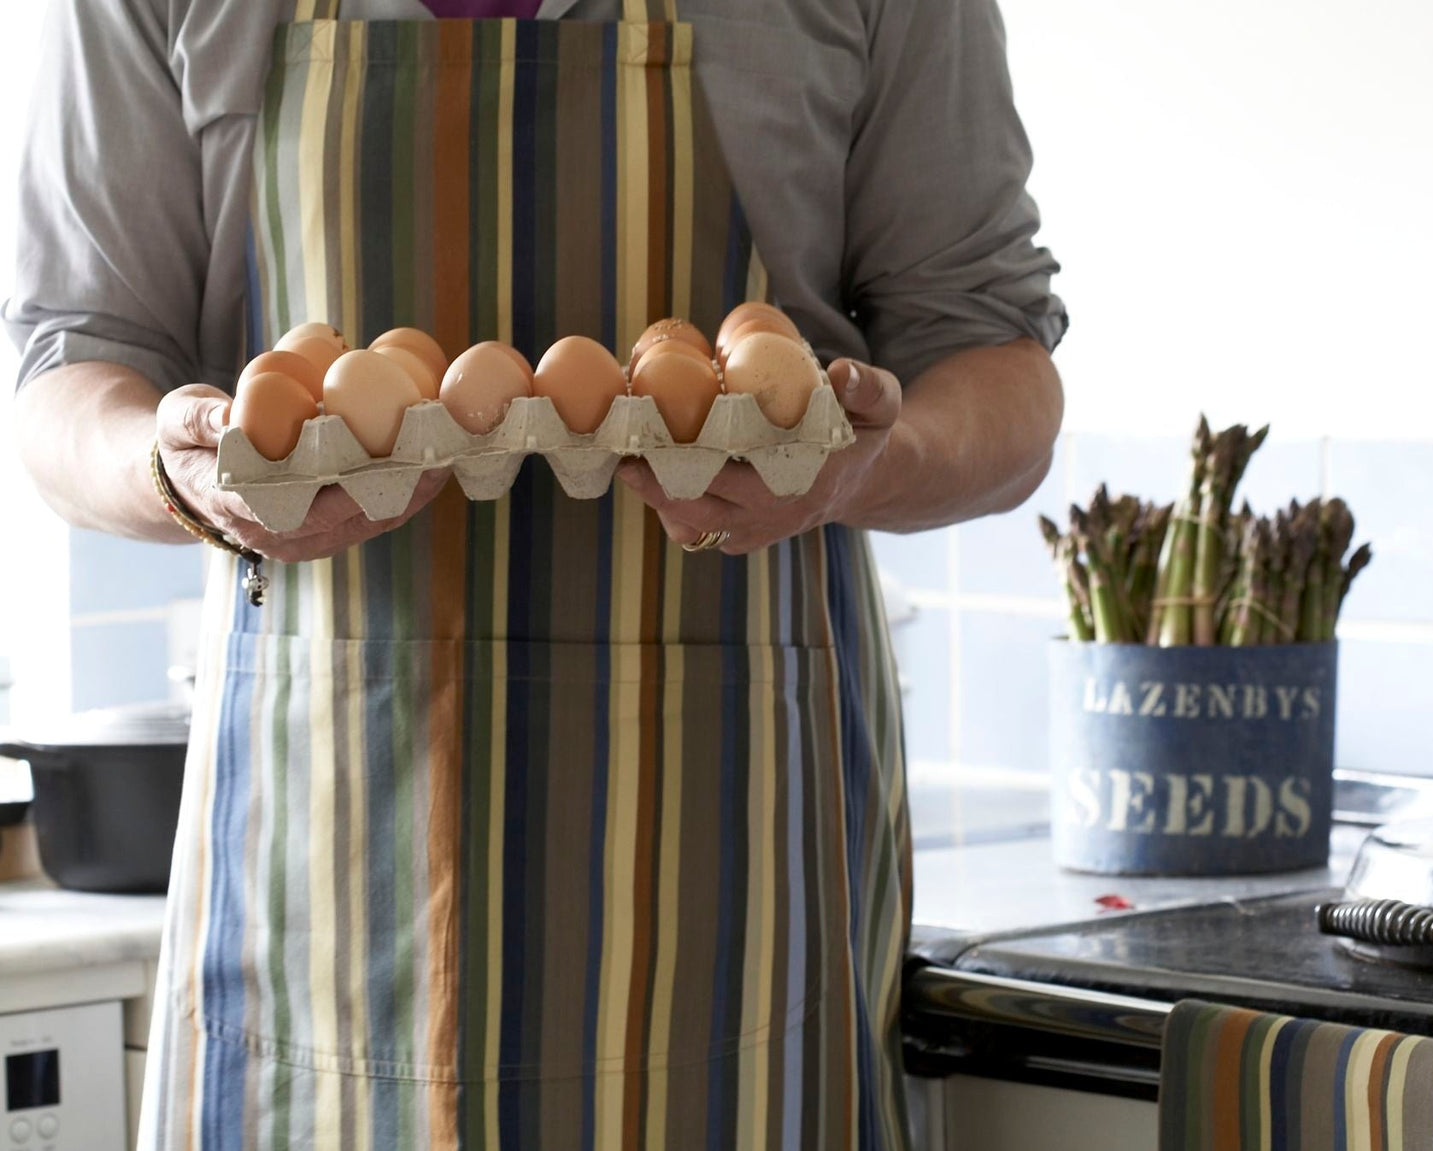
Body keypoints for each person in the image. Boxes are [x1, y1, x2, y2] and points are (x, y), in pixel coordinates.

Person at [5, 0, 1065, 1147]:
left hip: (727, 882)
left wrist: (859, 470)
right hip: (319, 884)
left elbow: (992, 359)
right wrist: (174, 470)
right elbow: (73, 364)